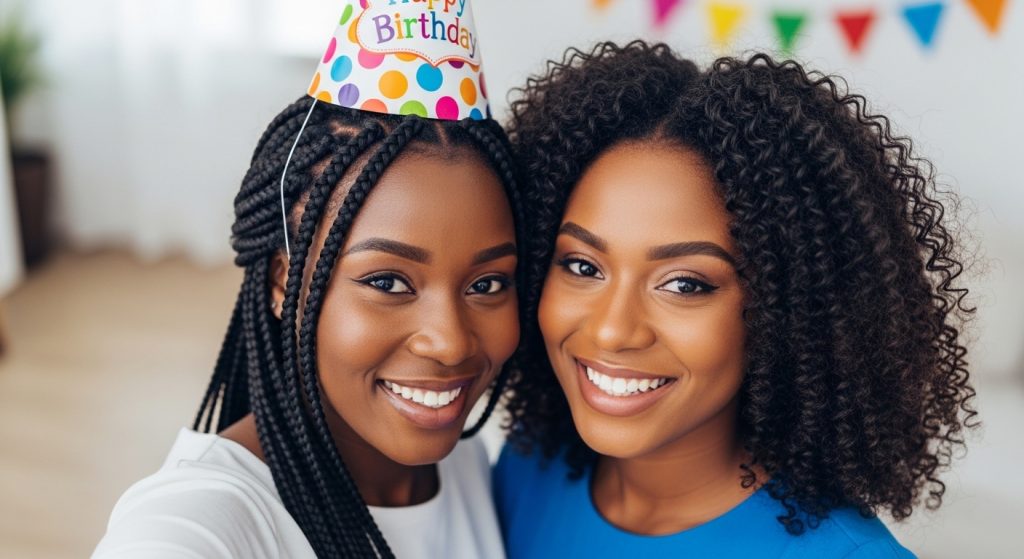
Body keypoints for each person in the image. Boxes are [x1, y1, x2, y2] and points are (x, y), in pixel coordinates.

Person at [495, 40, 975, 558]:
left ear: (785, 314)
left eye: (685, 284)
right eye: (583, 266)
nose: (613, 330)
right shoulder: (528, 467)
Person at [94, 2, 524, 556]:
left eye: (487, 284)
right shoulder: (201, 519)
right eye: (389, 282)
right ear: (282, 280)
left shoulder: (465, 460)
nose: (450, 343)